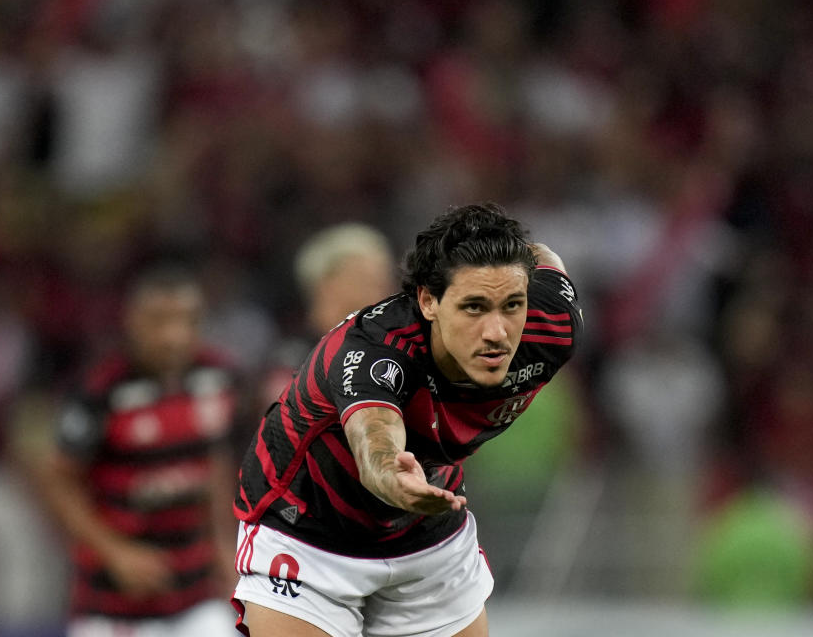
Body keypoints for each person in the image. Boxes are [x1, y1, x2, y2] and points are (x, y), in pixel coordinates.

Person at [233, 203, 583, 637]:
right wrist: (391, 476)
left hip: (426, 526)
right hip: (309, 527)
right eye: (474, 307)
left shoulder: (553, 325)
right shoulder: (371, 351)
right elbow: (375, 437)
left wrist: (498, 246)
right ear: (428, 300)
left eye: (511, 304)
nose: (497, 332)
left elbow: (547, 260)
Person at [33, 263, 240, 637]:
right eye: (159, 321)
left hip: (197, 598)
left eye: (187, 320)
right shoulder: (100, 389)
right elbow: (57, 479)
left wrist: (225, 547)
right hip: (113, 607)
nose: (174, 336)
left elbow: (214, 462)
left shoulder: (217, 377)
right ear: (132, 321)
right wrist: (115, 552)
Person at [259, 222, 396, 408]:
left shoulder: (394, 355)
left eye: (385, 282)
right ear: (327, 285)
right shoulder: (292, 360)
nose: (385, 294)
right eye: (368, 281)